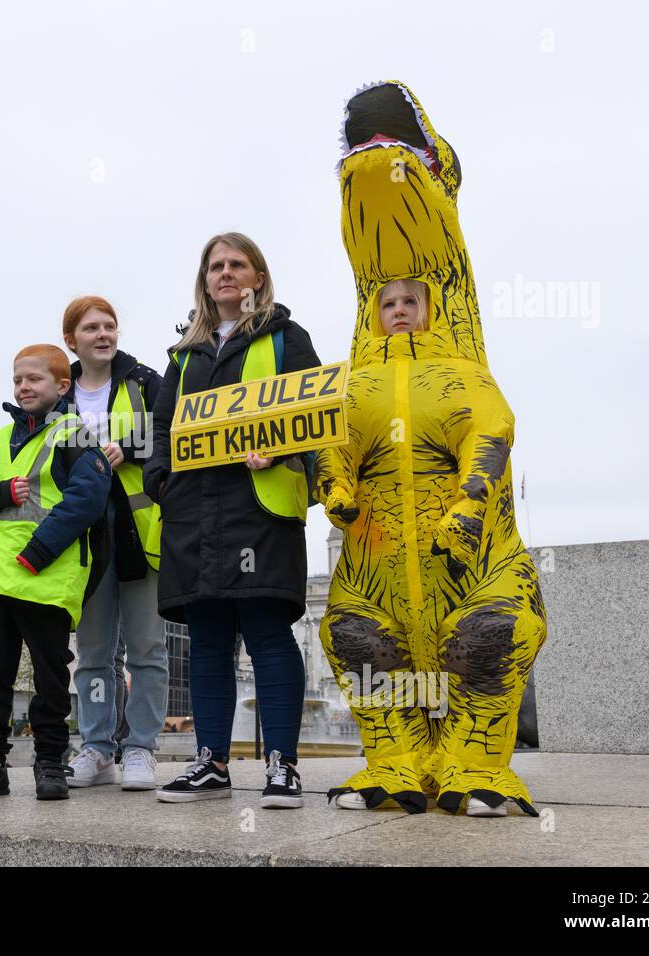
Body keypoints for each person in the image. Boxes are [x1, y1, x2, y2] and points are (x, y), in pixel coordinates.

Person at [318, 80, 547, 818]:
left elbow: (492, 426)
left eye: (405, 302)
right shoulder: (354, 377)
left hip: (466, 559)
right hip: (375, 562)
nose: (397, 307)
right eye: (389, 303)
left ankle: (478, 764)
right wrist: (333, 482)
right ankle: (395, 761)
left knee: (488, 634)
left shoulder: (461, 369)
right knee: (358, 637)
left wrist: (471, 504)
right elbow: (331, 440)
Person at [145, 232, 319, 809]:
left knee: (269, 634)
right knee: (208, 642)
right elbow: (161, 431)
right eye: (216, 265)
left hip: (258, 510)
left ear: (258, 278)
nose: (225, 273)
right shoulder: (183, 355)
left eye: (237, 264)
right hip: (193, 515)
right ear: (205, 279)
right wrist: (161, 484)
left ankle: (283, 766)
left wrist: (285, 450)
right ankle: (211, 763)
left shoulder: (288, 339)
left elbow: (315, 418)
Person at [0, 344, 111, 801]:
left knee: (50, 676)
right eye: (18, 380)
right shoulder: (0, 439)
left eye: (33, 379)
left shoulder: (76, 435)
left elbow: (88, 501)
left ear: (61, 386)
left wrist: (39, 551)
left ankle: (51, 762)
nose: (23, 387)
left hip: (45, 575)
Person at [58, 296, 169, 792]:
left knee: (147, 646)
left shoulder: (145, 381)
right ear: (71, 340)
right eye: (91, 328)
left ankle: (141, 748)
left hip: (140, 534)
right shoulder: (61, 396)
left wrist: (133, 448)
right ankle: (97, 748)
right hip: (85, 538)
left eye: (110, 326)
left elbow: (173, 432)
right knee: (95, 651)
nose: (103, 334)